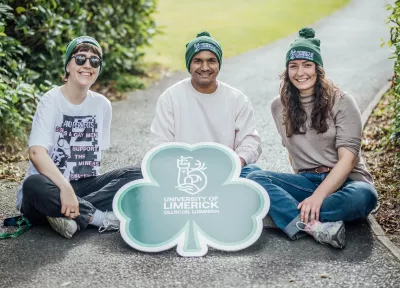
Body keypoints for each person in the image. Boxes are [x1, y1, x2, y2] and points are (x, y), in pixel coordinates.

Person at [247, 27, 378, 249]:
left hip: (346, 182)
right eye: (293, 66)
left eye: (307, 65)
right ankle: (315, 225)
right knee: (251, 176)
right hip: (307, 181)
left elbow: (348, 160)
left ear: (318, 69)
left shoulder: (342, 101)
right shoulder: (279, 106)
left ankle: (287, 214)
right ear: (287, 70)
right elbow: (292, 151)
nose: (300, 72)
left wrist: (318, 197)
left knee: (365, 196)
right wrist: (306, 187)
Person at [16, 36, 143, 239]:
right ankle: (100, 218)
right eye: (80, 58)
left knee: (139, 174)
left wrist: (71, 194)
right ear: (68, 66)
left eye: (94, 61)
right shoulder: (51, 100)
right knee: (33, 185)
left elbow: (93, 160)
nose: (87, 65)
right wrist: (64, 188)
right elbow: (36, 153)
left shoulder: (102, 105)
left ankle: (67, 214)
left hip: (82, 186)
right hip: (47, 188)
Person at [150, 31, 262, 177]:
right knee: (136, 174)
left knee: (256, 174)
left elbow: (250, 141)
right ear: (189, 64)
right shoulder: (170, 97)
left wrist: (236, 163)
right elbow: (160, 144)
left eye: (211, 61)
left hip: (226, 172)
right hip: (182, 173)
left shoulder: (237, 99)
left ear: (219, 64)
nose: (204, 67)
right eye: (197, 61)